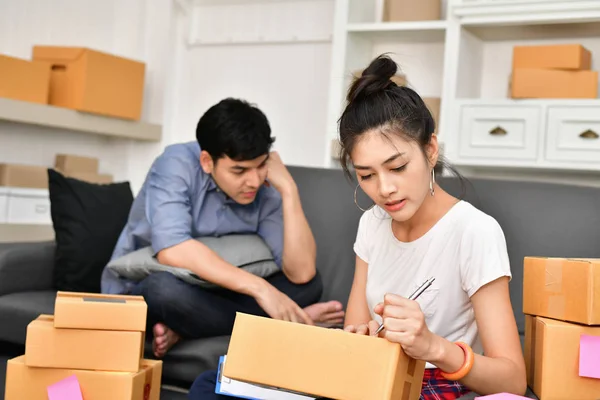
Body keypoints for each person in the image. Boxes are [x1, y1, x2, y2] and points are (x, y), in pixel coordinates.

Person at [339, 55, 527, 398]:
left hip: (442, 385)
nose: (384, 189)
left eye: (397, 167)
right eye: (366, 175)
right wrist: (359, 337)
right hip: (375, 385)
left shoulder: (475, 231)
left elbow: (512, 380)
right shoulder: (371, 224)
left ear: (430, 151)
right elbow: (356, 333)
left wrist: (432, 346)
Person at [100, 98, 345, 358]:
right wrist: (261, 289)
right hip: (157, 287)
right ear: (207, 161)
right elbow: (172, 249)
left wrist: (289, 190)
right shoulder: (175, 164)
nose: (253, 181)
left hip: (218, 293)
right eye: (239, 171)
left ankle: (190, 327)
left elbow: (302, 273)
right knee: (162, 291)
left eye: (261, 166)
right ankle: (285, 322)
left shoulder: (264, 183)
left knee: (310, 285)